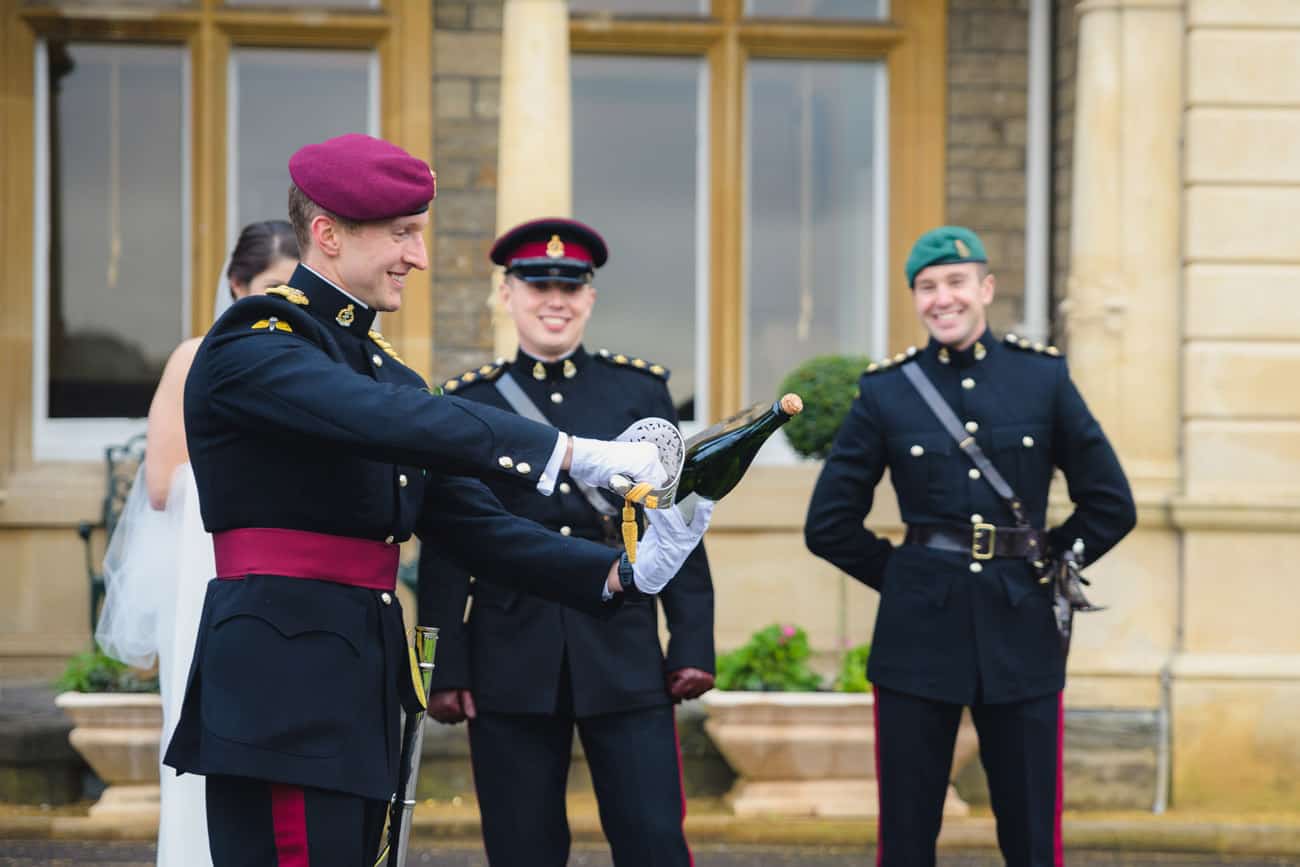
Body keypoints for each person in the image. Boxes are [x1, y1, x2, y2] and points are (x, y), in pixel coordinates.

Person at [161, 134, 712, 867]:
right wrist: (571, 453)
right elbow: (383, 419)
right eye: (402, 234)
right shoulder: (256, 341)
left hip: (358, 682)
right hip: (282, 692)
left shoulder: (385, 372)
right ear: (327, 234)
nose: (418, 257)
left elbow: (472, 524)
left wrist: (618, 575)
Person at [804, 226, 1136, 867]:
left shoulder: (1041, 378)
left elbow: (1111, 504)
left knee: (1033, 831)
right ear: (916, 300)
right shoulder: (887, 392)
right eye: (926, 288)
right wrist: (906, 577)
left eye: (955, 282)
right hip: (918, 632)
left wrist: (1048, 567)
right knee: (906, 831)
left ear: (985, 288)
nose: (941, 298)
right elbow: (828, 525)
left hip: (1022, 623)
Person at [419, 218, 715, 867]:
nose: (554, 298)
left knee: (654, 837)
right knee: (521, 844)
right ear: (507, 294)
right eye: (536, 283)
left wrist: (691, 638)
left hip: (622, 641)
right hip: (508, 648)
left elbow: (676, 517)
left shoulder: (639, 389)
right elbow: (446, 541)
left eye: (570, 285)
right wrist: (445, 664)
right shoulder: (470, 401)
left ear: (590, 297)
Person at [95, 220, 299, 867]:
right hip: (207, 566)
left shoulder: (311, 365)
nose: (282, 304)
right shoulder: (196, 357)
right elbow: (161, 482)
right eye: (271, 288)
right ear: (238, 285)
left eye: (296, 291)